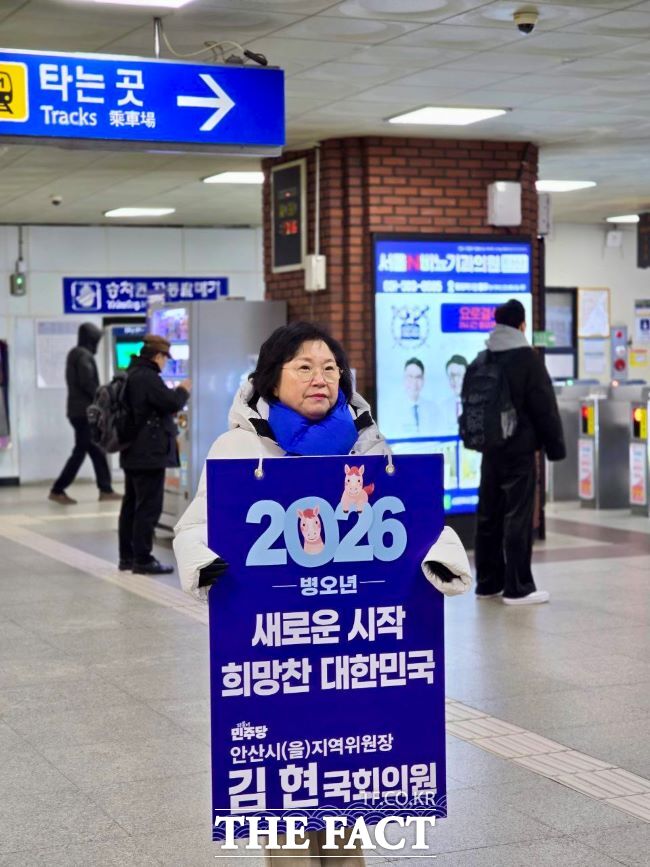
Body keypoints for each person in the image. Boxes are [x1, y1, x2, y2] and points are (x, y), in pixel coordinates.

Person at [173, 321, 472, 865]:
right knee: (285, 814)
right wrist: (205, 562)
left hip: (348, 665)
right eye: (304, 367)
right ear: (272, 379)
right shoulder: (239, 446)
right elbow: (194, 527)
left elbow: (413, 519)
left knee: (345, 810)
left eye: (330, 367)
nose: (320, 378)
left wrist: (444, 556)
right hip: (278, 666)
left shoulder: (365, 442)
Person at [474, 299, 565, 605]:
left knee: (488, 514)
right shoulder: (527, 359)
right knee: (518, 515)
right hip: (520, 450)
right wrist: (555, 448)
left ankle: (487, 583)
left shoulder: (483, 357)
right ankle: (517, 586)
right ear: (522, 325)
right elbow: (544, 408)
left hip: (490, 449)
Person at [118, 334, 190, 575]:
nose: (165, 364)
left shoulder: (131, 373)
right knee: (148, 506)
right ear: (158, 356)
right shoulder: (148, 378)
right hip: (147, 452)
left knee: (131, 504)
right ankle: (143, 559)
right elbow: (170, 403)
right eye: (164, 359)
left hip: (131, 449)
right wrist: (183, 390)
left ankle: (127, 557)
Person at [49, 322, 120, 505]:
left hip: (78, 411)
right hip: (84, 412)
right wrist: (104, 397)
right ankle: (58, 489)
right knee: (83, 451)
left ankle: (105, 489)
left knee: (95, 450)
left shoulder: (76, 354)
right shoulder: (83, 355)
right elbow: (87, 382)